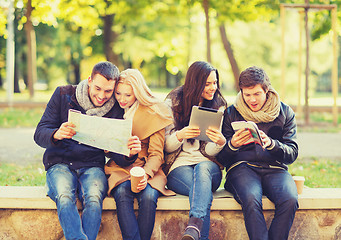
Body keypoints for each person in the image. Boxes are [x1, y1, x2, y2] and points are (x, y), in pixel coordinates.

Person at [34, 61, 141, 240]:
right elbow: (39, 134)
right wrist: (56, 133)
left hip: (92, 165)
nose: (102, 96)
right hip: (60, 162)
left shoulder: (115, 108)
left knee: (93, 198)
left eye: (108, 91)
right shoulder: (63, 94)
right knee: (64, 195)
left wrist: (130, 153)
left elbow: (119, 156)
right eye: (98, 88)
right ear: (89, 80)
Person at [217, 66, 299, 240]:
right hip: (242, 168)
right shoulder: (232, 113)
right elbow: (221, 158)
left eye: (256, 94)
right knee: (251, 197)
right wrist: (232, 145)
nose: (252, 100)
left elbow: (292, 153)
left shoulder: (284, 112)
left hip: (275, 168)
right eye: (247, 95)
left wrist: (272, 144)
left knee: (290, 199)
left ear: (266, 90)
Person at [105, 69, 175, 240]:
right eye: (118, 93)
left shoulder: (154, 112)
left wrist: (146, 173)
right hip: (120, 167)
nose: (121, 99)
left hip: (148, 168)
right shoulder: (112, 110)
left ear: (138, 92)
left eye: (127, 95)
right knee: (122, 192)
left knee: (149, 196)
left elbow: (157, 154)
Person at [164, 61, 227, 240]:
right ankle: (198, 231)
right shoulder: (173, 102)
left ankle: (194, 227)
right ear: (195, 83)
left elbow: (211, 152)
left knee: (202, 169)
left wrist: (220, 142)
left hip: (209, 166)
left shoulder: (218, 105)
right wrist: (180, 135)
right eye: (207, 84)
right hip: (179, 167)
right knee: (200, 192)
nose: (212, 88)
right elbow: (166, 147)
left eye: (215, 83)